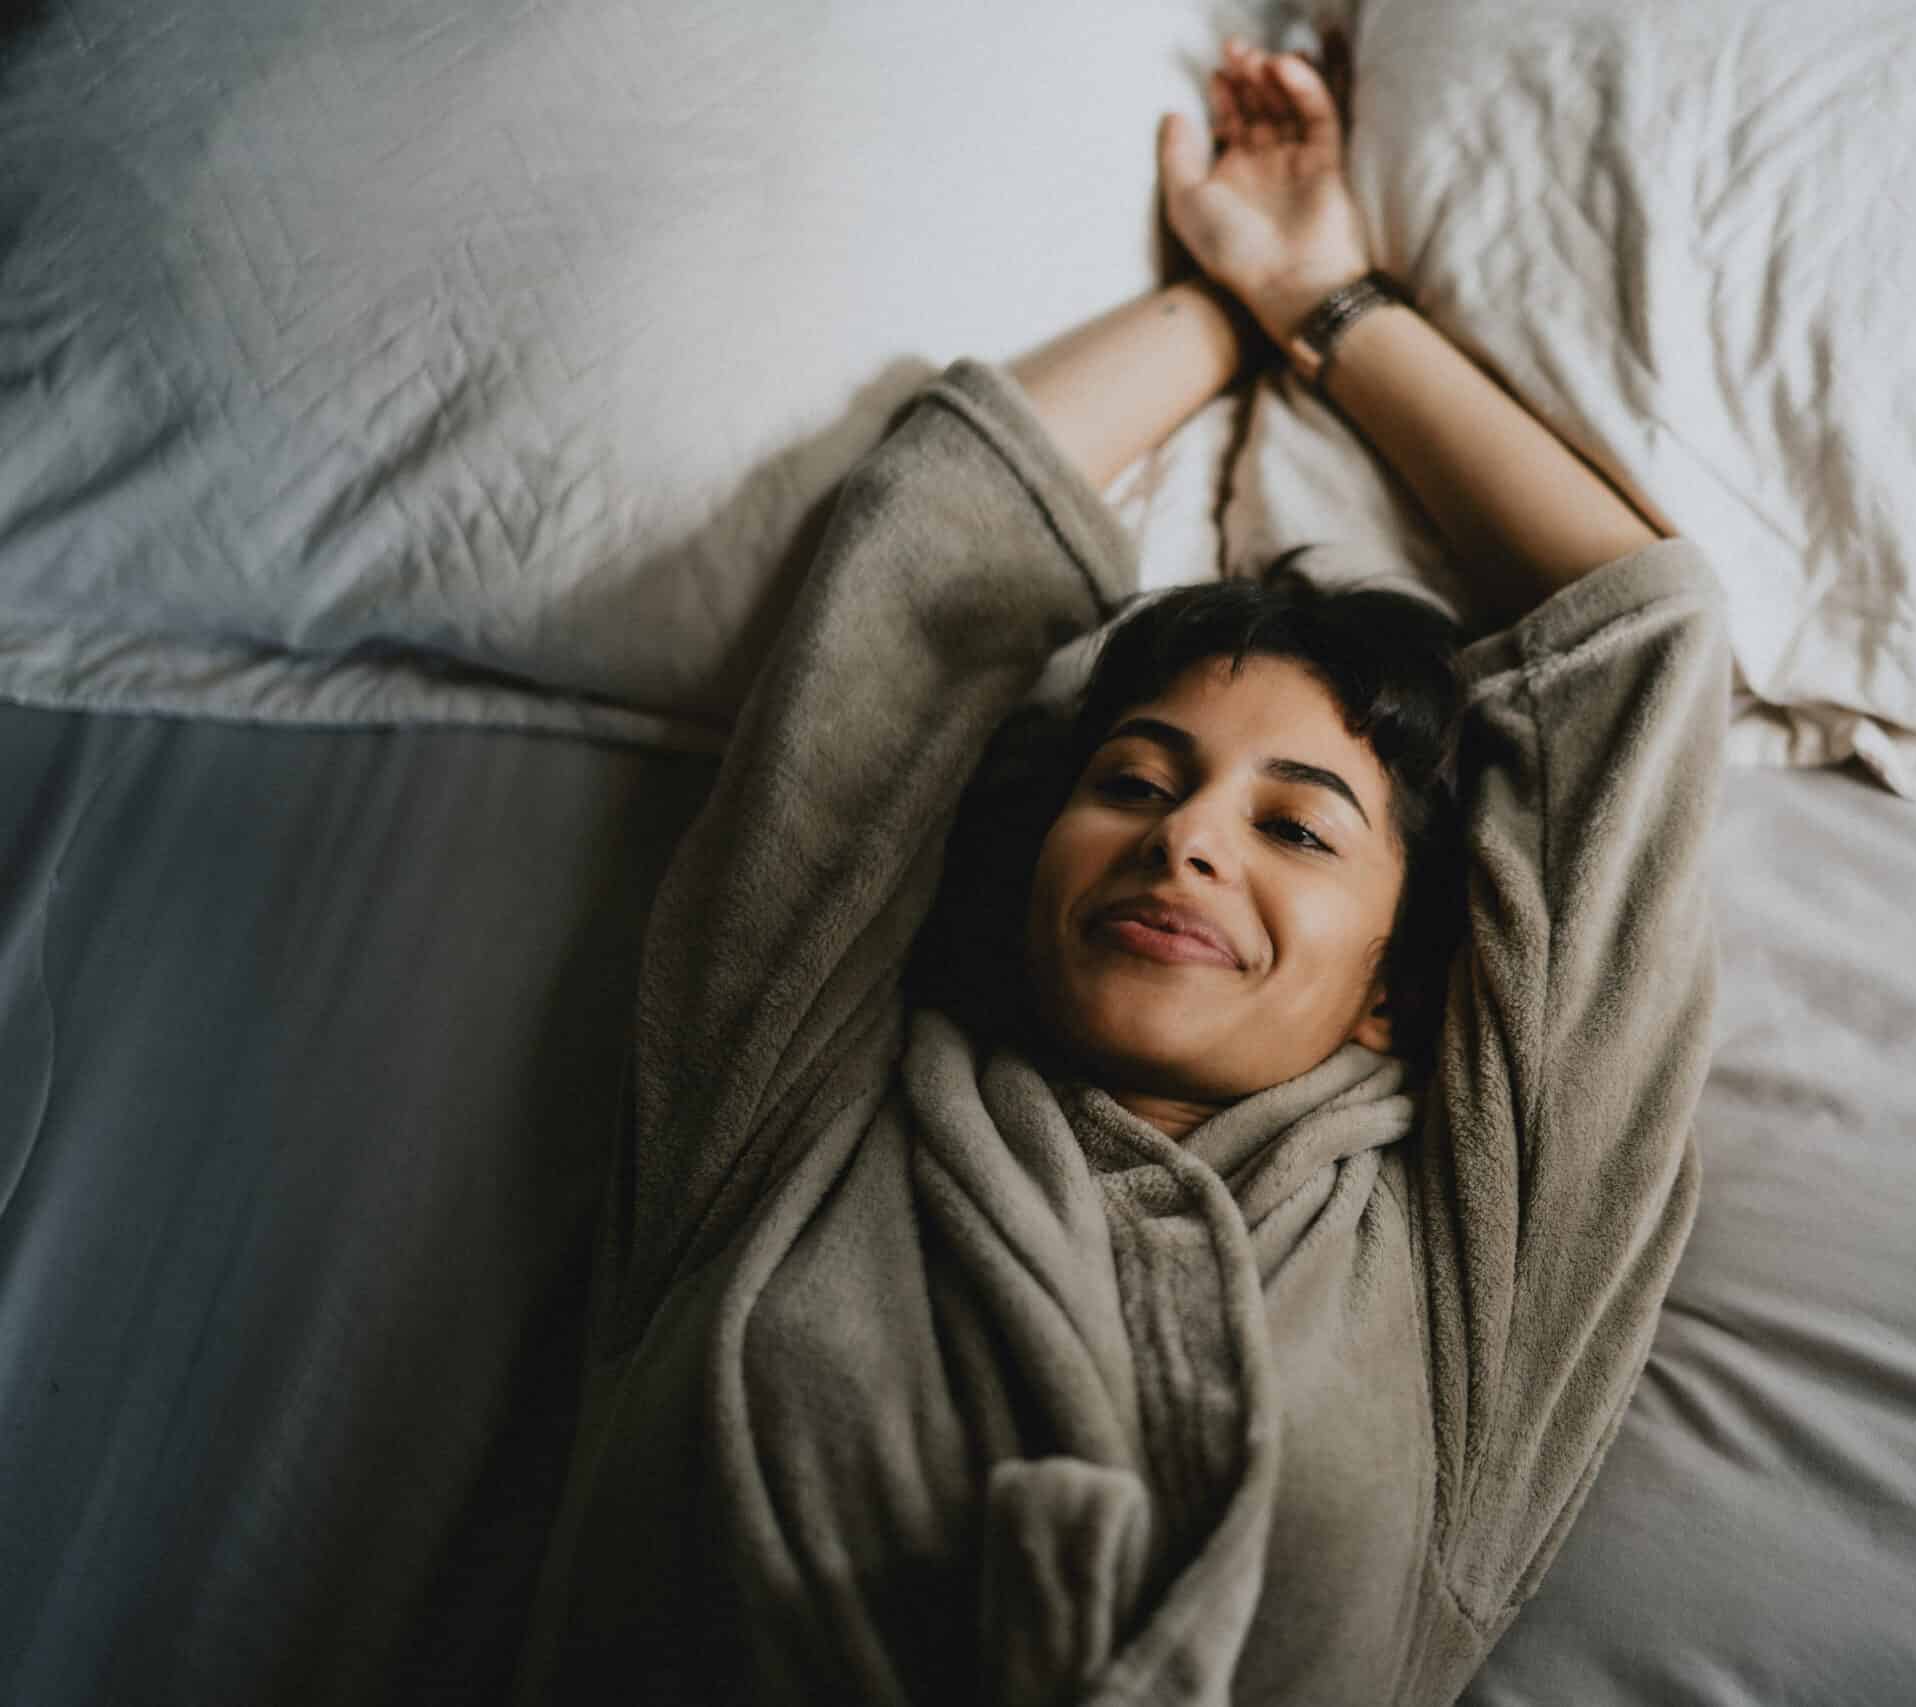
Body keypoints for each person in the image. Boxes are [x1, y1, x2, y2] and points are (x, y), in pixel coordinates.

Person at [517, 35, 1730, 1707]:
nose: (1187, 835)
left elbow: (1644, 646)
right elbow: (926, 536)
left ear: (1393, 982)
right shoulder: (787, 1107)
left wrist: (1328, 302)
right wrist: (1213, 308)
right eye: (1136, 782)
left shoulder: (1465, 1276)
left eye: (1297, 826)